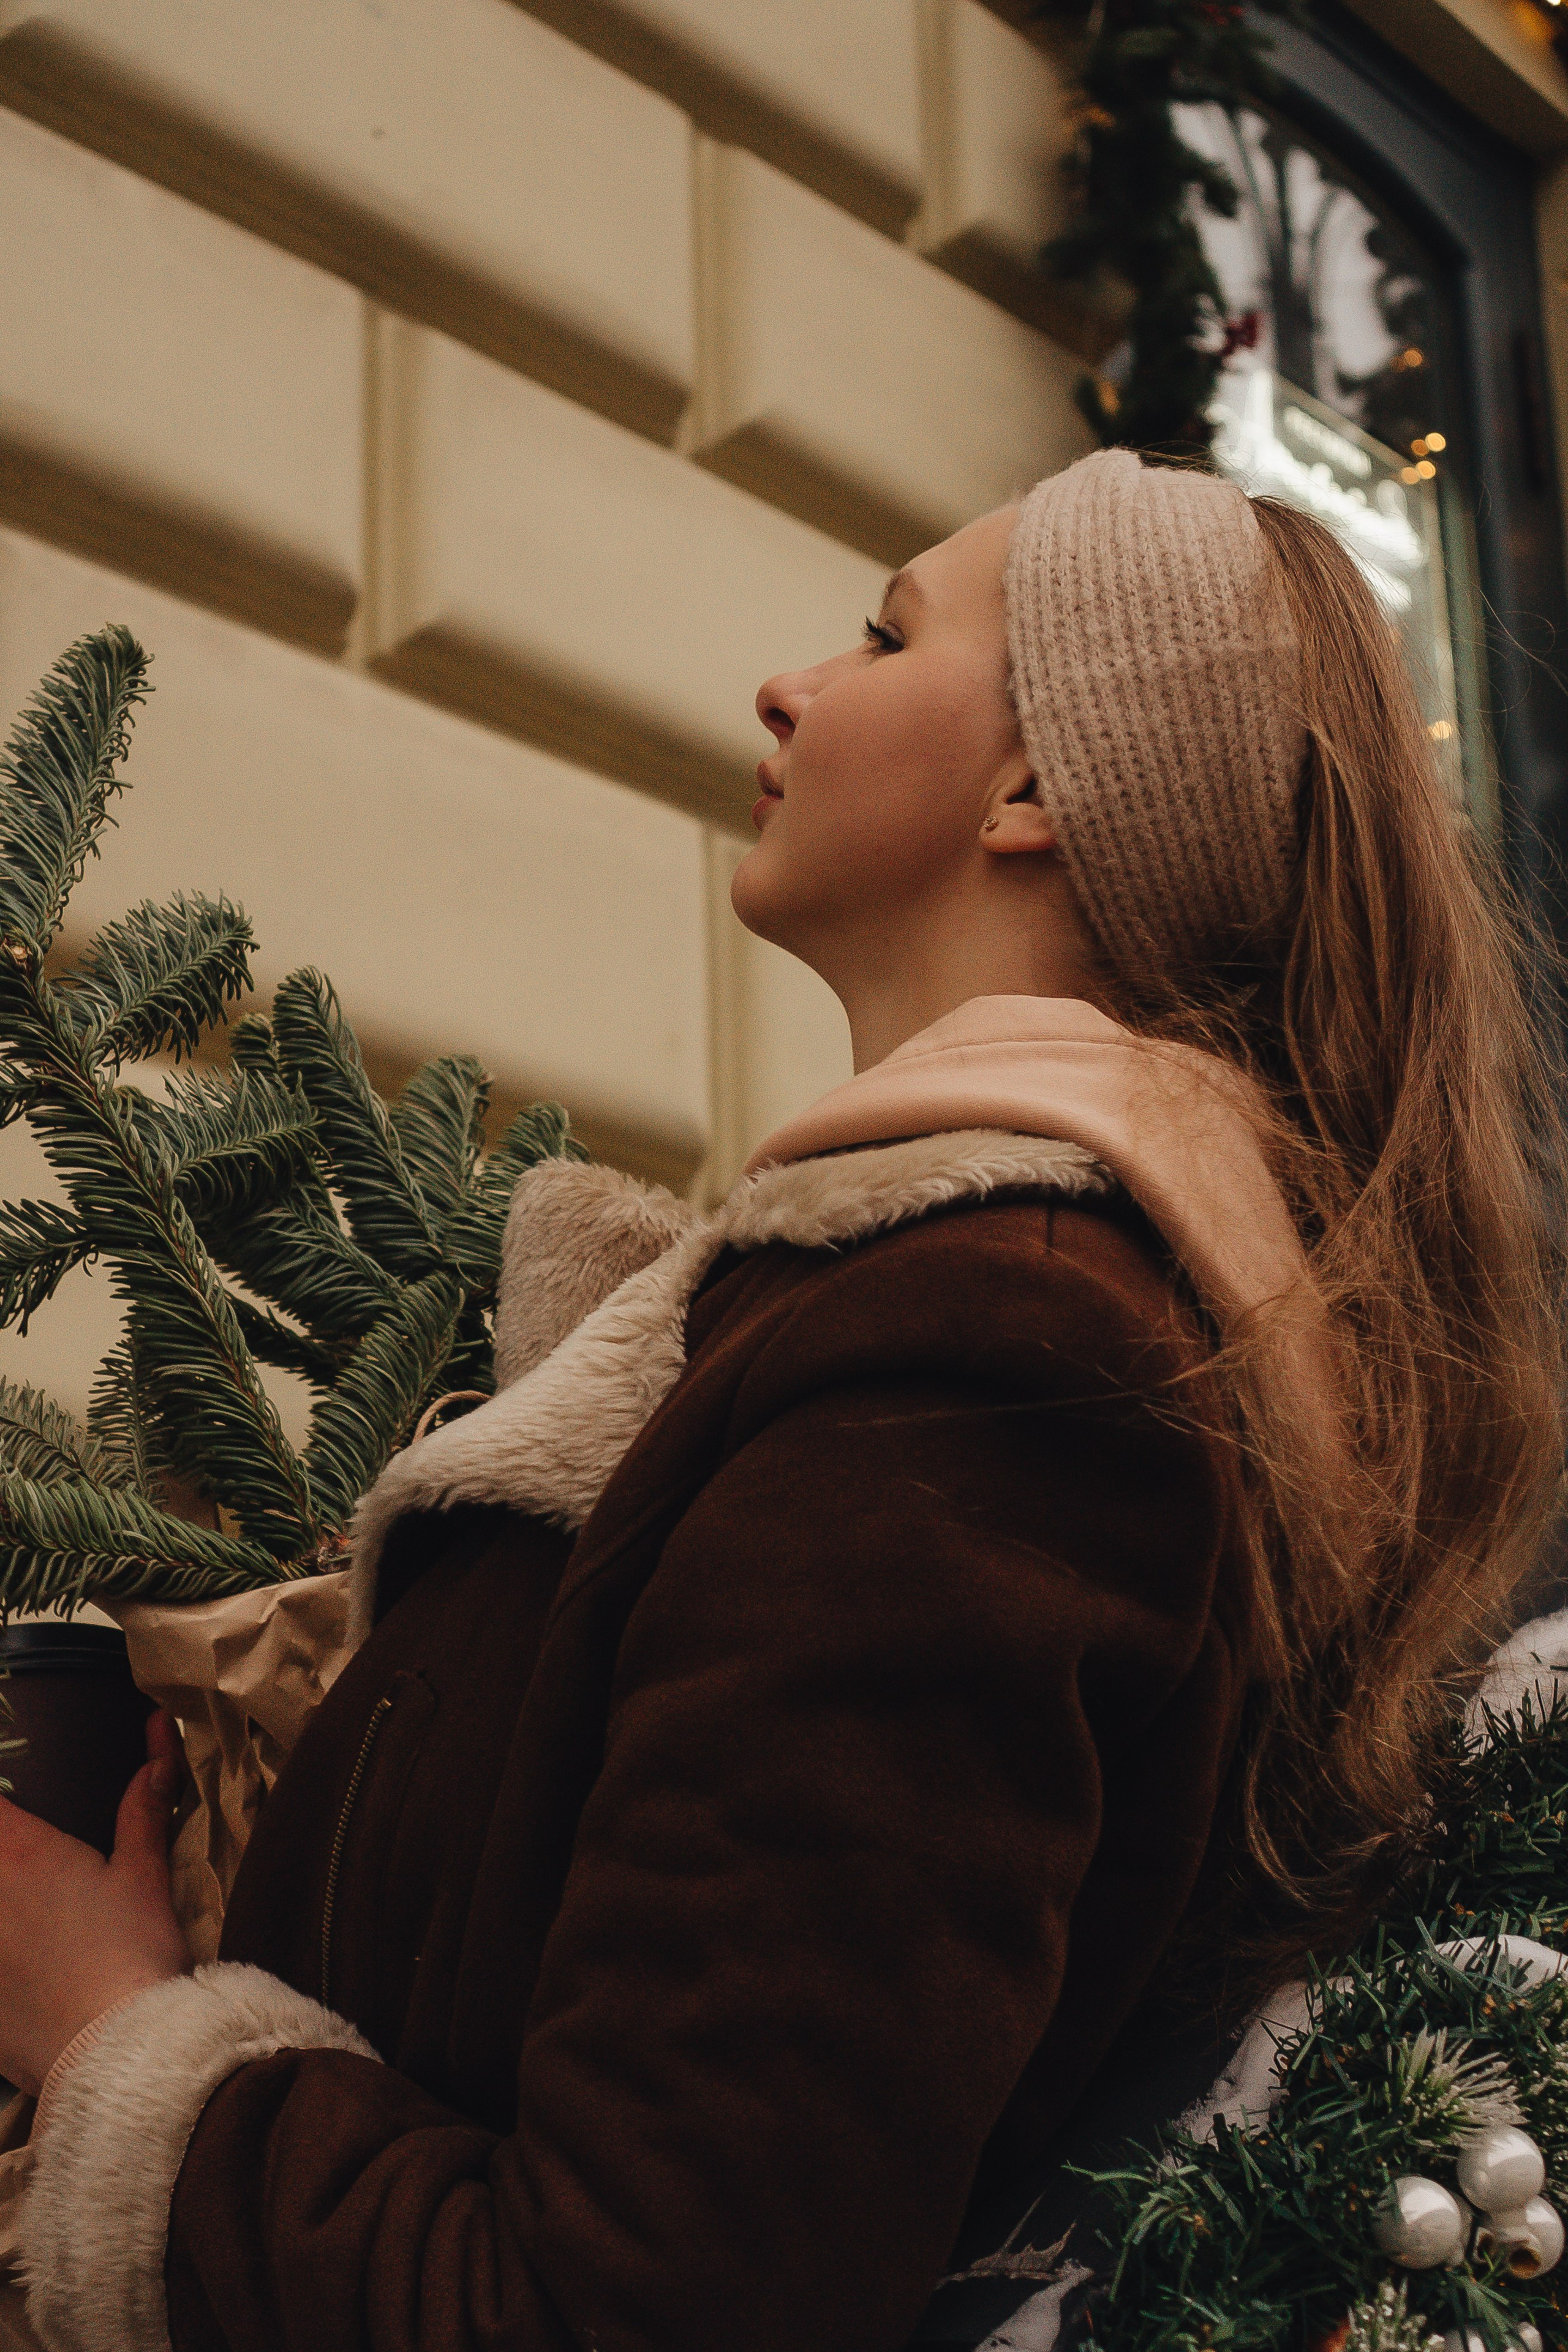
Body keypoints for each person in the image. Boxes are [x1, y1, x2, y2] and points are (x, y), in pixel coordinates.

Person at [0, 448, 1561, 2352]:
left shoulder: (991, 1360)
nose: (789, 686)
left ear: (1037, 788)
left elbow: (645, 2308)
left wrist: (108, 2042)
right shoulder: (985, 1317)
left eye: (886, 633)